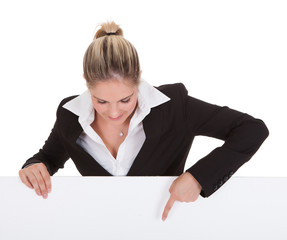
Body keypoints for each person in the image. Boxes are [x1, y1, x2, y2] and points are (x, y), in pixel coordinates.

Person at [18, 21, 269, 221]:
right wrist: (33, 166)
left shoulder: (174, 107)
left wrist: (198, 177)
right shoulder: (70, 115)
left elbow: (251, 129)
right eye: (101, 101)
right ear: (86, 81)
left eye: (125, 100)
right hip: (100, 229)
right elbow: (47, 158)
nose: (114, 113)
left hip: (165, 230)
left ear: (138, 79)